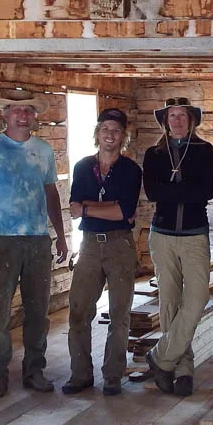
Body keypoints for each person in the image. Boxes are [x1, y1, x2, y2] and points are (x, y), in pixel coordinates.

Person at [0, 89, 69, 399]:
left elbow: (50, 193)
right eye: (16, 110)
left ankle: (34, 369)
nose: (22, 115)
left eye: (28, 110)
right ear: (5, 115)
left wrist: (60, 234)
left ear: (35, 116)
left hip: (37, 240)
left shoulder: (43, 150)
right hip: (1, 242)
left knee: (38, 311)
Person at [141, 97, 213, 398]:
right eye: (172, 116)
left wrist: (172, 191)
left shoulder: (204, 151)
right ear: (165, 121)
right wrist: (185, 191)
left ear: (192, 120)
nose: (177, 121)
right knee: (170, 302)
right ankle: (182, 369)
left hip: (194, 234)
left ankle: (160, 357)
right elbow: (153, 191)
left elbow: (207, 191)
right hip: (162, 235)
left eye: (182, 115)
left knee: (197, 297)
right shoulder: (154, 154)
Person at [66, 108, 144, 396]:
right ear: (97, 133)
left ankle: (112, 375)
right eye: (105, 129)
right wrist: (102, 209)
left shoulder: (131, 170)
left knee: (119, 313)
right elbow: (74, 210)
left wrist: (89, 207)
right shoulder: (83, 167)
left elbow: (123, 212)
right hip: (88, 244)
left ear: (123, 137)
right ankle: (80, 374)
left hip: (120, 244)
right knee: (78, 311)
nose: (110, 134)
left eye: (116, 130)